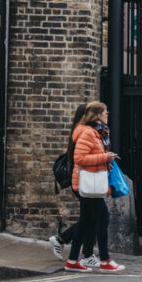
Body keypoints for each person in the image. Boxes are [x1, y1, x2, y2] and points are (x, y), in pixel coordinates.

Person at [64, 102, 124, 273]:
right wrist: (104, 157)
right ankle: (105, 260)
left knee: (84, 222)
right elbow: (80, 158)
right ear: (97, 115)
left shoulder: (97, 132)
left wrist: (106, 158)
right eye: (105, 111)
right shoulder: (88, 133)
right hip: (87, 183)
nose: (108, 114)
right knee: (103, 217)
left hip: (91, 183)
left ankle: (73, 260)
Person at [49, 104, 96, 263]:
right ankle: (69, 244)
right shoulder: (83, 132)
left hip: (85, 179)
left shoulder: (82, 130)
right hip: (83, 180)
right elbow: (82, 158)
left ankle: (82, 251)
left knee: (90, 217)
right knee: (92, 217)